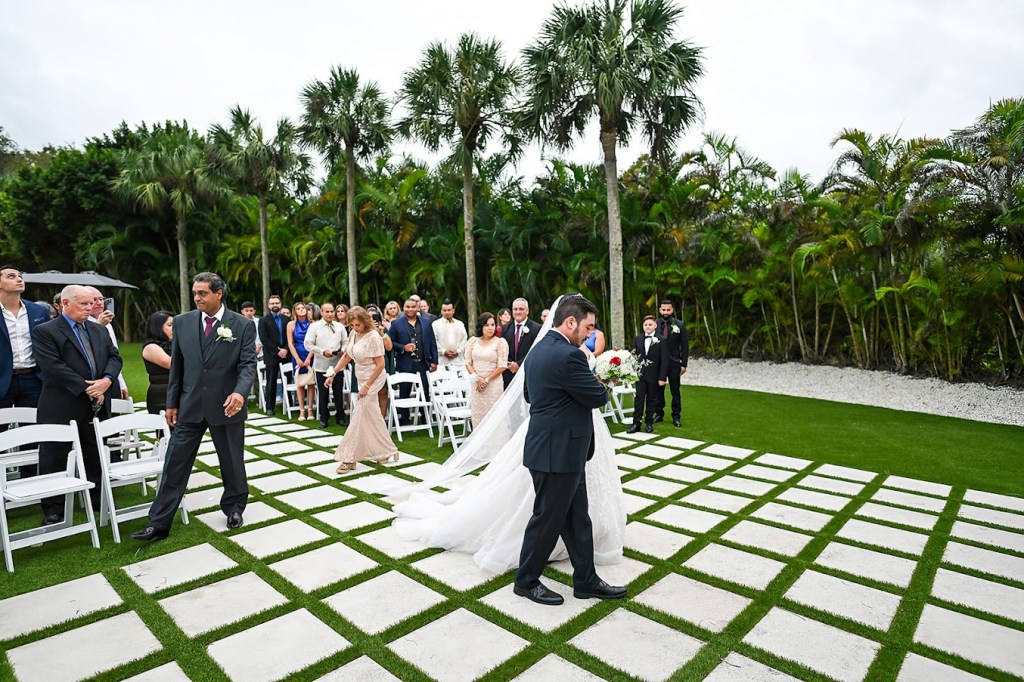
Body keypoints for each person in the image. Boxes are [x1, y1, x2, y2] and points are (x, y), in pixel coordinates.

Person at [391, 294, 625, 588]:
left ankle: (586, 580)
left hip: (555, 448)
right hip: (558, 452)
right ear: (570, 322)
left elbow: (529, 396)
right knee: (546, 520)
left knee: (577, 518)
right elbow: (597, 396)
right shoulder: (571, 355)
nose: (590, 334)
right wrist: (607, 380)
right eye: (588, 327)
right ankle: (526, 581)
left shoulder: (538, 352)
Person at [131, 272, 257, 541]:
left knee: (232, 461)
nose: (197, 298)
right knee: (174, 463)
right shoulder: (182, 322)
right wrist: (172, 403)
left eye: (203, 293)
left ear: (219, 294)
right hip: (189, 405)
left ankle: (234, 507)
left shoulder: (242, 325)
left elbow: (247, 365)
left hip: (227, 405)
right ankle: (159, 522)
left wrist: (240, 393)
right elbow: (177, 366)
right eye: (195, 293)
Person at [32, 284, 122, 523]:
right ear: (65, 304)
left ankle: (96, 499)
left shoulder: (98, 330)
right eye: (84, 304)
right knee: (54, 456)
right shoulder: (46, 331)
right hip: (61, 404)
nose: (90, 307)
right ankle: (53, 508)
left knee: (93, 452)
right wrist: (89, 388)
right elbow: (52, 366)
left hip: (95, 404)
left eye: (91, 303)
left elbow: (114, 357)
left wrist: (107, 380)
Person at [326, 307, 398, 472]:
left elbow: (380, 365)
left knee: (358, 415)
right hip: (361, 377)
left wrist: (366, 386)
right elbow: (347, 356)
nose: (354, 328)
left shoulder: (373, 337)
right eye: (351, 325)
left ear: (365, 322)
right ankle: (387, 450)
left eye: (357, 325)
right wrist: (334, 373)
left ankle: (349, 458)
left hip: (374, 378)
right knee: (373, 416)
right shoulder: (353, 334)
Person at [1, 265, 51, 478]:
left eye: (20, 276)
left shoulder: (38, 311)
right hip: (3, 379)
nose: (19, 279)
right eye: (11, 276)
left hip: (33, 378)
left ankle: (29, 481)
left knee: (31, 432)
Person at [388, 297, 438, 422]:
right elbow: (390, 343)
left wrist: (435, 361)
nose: (410, 309)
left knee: (425, 393)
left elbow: (432, 342)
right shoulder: (396, 324)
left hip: (422, 363)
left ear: (418, 308)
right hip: (405, 363)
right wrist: (403, 347)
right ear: (404, 308)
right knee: (405, 392)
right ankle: (404, 419)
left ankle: (425, 418)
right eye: (407, 307)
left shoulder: (426, 322)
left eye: (413, 307)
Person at [304, 301, 348, 428]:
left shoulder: (340, 326)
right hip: (321, 364)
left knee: (338, 392)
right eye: (327, 311)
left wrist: (343, 350)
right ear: (322, 312)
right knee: (323, 393)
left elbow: (346, 342)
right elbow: (308, 344)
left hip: (337, 365)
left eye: (331, 311)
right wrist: (323, 351)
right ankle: (324, 418)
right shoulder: (314, 327)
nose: (329, 314)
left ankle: (340, 416)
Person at [464, 312, 508, 428]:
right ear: (481, 326)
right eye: (487, 325)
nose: (490, 328)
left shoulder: (500, 343)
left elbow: (502, 365)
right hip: (477, 384)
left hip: (494, 384)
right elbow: (468, 363)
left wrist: (487, 380)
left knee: (494, 415)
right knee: (479, 415)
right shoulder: (473, 341)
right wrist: (477, 378)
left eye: (493, 325)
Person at [87, 287, 129, 400]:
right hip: (93, 381)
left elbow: (115, 355)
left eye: (101, 299)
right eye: (94, 300)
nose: (99, 303)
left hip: (111, 378)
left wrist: (121, 383)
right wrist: (99, 326)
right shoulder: (81, 323)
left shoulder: (108, 323)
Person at [627, 315, 667, 434]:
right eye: (645, 325)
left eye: (650, 324)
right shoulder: (638, 339)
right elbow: (634, 356)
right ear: (643, 326)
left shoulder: (662, 340)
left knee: (652, 399)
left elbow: (665, 360)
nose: (648, 327)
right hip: (640, 374)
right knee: (639, 399)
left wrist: (662, 377)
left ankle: (649, 423)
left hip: (654, 375)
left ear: (655, 325)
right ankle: (636, 423)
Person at [653, 300, 689, 427]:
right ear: (659, 310)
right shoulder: (654, 324)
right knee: (658, 390)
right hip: (658, 363)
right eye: (664, 310)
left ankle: (676, 416)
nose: (666, 312)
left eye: (668, 310)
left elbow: (685, 346)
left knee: (675, 390)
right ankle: (659, 413)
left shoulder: (680, 325)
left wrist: (684, 364)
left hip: (674, 362)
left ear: (672, 310)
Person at [257, 295, 290, 416]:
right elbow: (264, 339)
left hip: (286, 354)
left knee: (289, 378)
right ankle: (270, 406)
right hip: (271, 354)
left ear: (280, 304)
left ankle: (290, 404)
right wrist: (277, 351)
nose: (275, 305)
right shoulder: (263, 320)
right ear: (268, 305)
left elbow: (290, 337)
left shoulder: (287, 320)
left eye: (277, 303)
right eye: (272, 303)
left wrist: (285, 349)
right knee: (271, 381)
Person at [500, 298, 541, 389]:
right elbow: (502, 350)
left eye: (521, 309)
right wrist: (510, 364)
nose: (518, 312)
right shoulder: (505, 329)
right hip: (508, 374)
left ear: (527, 311)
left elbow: (536, 351)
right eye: (515, 309)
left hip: (528, 374)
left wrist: (519, 365)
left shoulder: (536, 328)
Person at [141, 311, 174, 415]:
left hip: (179, 391)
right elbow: (170, 363)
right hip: (162, 395)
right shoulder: (151, 347)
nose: (174, 328)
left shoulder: (175, 344)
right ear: (157, 327)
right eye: (169, 325)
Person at [287, 302, 315, 420]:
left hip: (311, 353)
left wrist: (309, 357)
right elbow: (290, 343)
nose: (301, 310)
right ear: (295, 311)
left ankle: (310, 410)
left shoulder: (313, 324)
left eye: (303, 308)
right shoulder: (291, 324)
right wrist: (297, 358)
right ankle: (302, 411)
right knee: (300, 383)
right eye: (298, 308)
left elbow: (315, 342)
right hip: (297, 354)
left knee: (311, 382)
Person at [432, 299, 468, 369]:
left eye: (449, 310)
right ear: (441, 311)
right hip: (442, 362)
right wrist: (443, 351)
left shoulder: (460, 324)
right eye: (444, 310)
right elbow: (434, 341)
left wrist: (458, 351)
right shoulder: (435, 324)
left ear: (453, 311)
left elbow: (464, 339)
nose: (447, 312)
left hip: (459, 362)